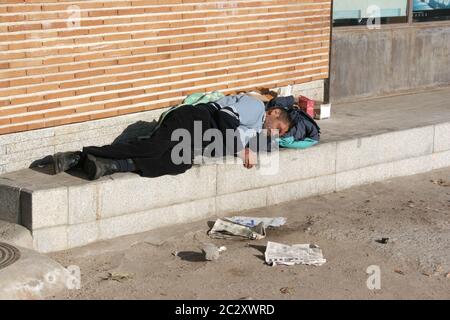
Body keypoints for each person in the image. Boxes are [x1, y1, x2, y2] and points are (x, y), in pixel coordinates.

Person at [50, 94, 293, 181]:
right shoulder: (256, 108)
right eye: (278, 128)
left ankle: (109, 165)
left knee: (179, 163)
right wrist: (242, 151)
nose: (274, 134)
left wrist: (251, 149)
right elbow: (226, 118)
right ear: (273, 113)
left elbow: (241, 143)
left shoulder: (255, 131)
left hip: (199, 138)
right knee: (154, 146)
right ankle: (78, 156)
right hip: (196, 119)